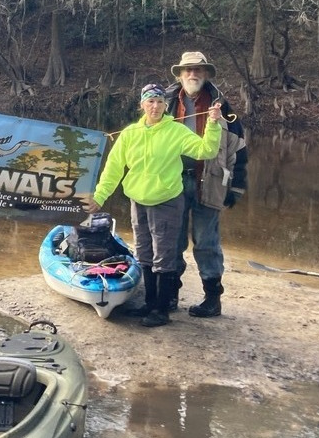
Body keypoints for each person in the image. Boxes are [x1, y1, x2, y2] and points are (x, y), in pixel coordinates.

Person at [88, 82, 222, 328]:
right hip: (138, 201)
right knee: (144, 252)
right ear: (142, 105)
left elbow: (207, 150)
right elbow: (113, 168)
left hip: (167, 201)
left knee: (164, 255)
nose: (155, 106)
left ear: (165, 105)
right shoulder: (130, 134)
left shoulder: (176, 131)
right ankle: (149, 303)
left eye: (160, 101)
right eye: (150, 101)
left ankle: (162, 310)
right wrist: (100, 196)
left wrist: (213, 124)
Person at [164, 51, 248, 319]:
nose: (192, 74)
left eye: (198, 70)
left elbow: (239, 151)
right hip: (171, 182)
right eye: (187, 70)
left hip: (209, 182)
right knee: (171, 241)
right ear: (179, 75)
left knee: (207, 242)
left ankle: (212, 299)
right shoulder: (163, 104)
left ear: (207, 74)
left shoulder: (223, 109)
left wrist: (236, 187)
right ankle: (170, 295)